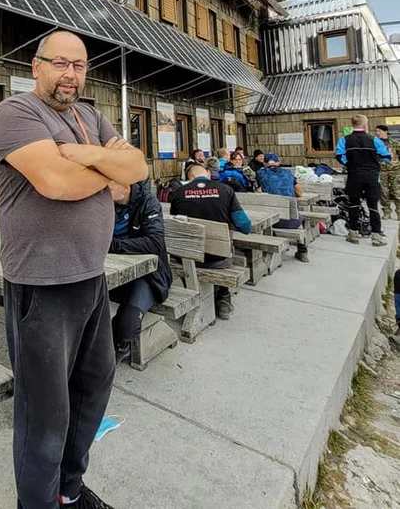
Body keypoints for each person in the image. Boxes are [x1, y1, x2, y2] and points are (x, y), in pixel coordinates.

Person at [0, 30, 148, 509]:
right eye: (59, 63)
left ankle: (69, 492)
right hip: (40, 282)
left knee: (93, 389)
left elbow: (137, 168)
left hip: (90, 277)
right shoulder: (16, 113)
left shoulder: (89, 116)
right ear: (36, 66)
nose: (69, 74)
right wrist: (108, 172)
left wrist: (89, 157)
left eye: (78, 65)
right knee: (45, 414)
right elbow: (55, 182)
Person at [169, 162, 251, 320]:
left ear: (188, 178)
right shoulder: (226, 190)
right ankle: (223, 299)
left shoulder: (178, 193)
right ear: (207, 174)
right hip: (218, 259)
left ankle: (196, 294)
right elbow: (245, 226)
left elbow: (177, 225)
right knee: (228, 248)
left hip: (186, 258)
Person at [108, 180, 172, 363]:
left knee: (126, 324)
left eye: (109, 187)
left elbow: (155, 242)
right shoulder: (104, 203)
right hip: (114, 270)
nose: (103, 191)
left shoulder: (148, 202)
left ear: (125, 186)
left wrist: (114, 246)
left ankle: (121, 347)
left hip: (149, 275)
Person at [336, 114, 390, 247]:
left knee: (354, 204)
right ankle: (376, 237)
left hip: (354, 176)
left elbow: (339, 156)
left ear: (352, 125)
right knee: (373, 206)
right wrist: (377, 160)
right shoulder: (375, 140)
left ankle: (353, 234)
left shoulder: (344, 140)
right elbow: (387, 157)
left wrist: (349, 164)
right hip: (372, 176)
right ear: (365, 125)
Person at [257, 153, 309, 262]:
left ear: (265, 164)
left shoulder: (261, 174)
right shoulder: (288, 173)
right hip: (292, 221)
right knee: (300, 218)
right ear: (278, 163)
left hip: (272, 220)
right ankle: (303, 251)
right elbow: (299, 193)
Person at [375, 124, 400, 220]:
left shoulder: (395, 143)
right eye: (377, 131)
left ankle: (399, 212)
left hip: (395, 170)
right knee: (384, 192)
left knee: (397, 191)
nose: (378, 133)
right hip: (382, 170)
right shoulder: (376, 144)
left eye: (380, 131)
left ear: (385, 131)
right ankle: (386, 212)